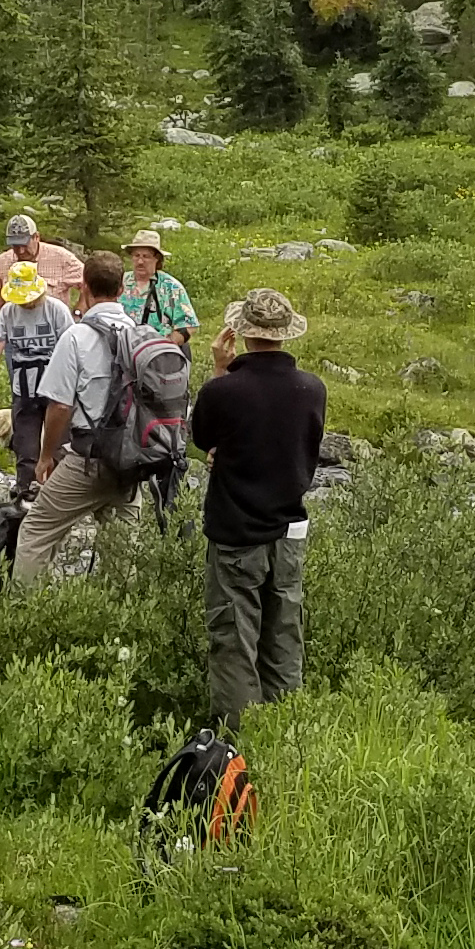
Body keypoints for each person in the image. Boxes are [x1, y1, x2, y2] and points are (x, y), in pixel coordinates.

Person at [188, 288, 325, 724]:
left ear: (240, 333)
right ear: (285, 334)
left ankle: (239, 742)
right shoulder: (312, 389)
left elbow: (203, 436)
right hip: (289, 532)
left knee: (233, 639)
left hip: (236, 533)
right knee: (284, 635)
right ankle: (286, 733)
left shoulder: (224, 391)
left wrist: (218, 371)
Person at [13, 249, 138, 581]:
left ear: (83, 286)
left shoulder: (77, 336)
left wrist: (45, 457)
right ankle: (122, 619)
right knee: (122, 545)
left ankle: (24, 614)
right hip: (134, 460)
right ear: (122, 288)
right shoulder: (141, 335)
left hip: (89, 458)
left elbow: (60, 407)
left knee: (36, 530)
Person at [0, 254, 71, 504]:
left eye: (29, 298)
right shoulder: (8, 312)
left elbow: (73, 347)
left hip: (56, 389)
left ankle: (57, 490)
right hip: (24, 388)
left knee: (58, 441)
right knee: (25, 443)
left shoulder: (56, 310)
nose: (26, 304)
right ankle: (25, 489)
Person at [119, 225, 197, 517]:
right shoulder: (122, 284)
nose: (140, 261)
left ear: (157, 259)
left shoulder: (170, 287)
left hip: (161, 365)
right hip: (127, 363)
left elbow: (186, 327)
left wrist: (161, 349)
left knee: (166, 420)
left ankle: (170, 482)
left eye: (146, 256)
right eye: (136, 255)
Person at [0, 213, 55, 349]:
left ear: (36, 237)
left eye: (24, 244)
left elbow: (90, 280)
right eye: (15, 245)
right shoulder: (1, 262)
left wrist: (78, 312)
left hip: (51, 339)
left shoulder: (60, 257)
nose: (20, 251)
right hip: (16, 339)